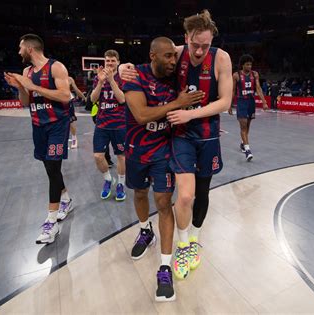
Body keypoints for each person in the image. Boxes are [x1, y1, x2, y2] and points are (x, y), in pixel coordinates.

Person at [121, 10, 233, 280]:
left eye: (205, 45)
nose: (199, 51)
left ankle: (194, 239)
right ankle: (183, 245)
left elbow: (225, 102)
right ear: (186, 39)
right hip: (181, 134)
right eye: (195, 45)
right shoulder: (178, 52)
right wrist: (126, 67)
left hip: (206, 133)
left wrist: (190, 113)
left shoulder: (221, 58)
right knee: (184, 196)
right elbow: (155, 59)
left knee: (203, 193)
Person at [124, 37, 205, 301]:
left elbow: (195, 55)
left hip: (162, 151)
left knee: (163, 203)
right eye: (167, 56)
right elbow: (141, 115)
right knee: (139, 193)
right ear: (153, 56)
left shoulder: (177, 78)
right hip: (136, 149)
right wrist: (177, 103)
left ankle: (165, 267)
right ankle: (145, 230)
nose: (173, 61)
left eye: (174, 56)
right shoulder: (135, 75)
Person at [4, 33, 74, 244]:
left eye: (20, 48)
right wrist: (21, 88)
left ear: (30, 49)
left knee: (53, 167)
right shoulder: (26, 72)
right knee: (51, 170)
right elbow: (26, 101)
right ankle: (66, 200)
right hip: (38, 126)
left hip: (57, 126)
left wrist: (33, 86)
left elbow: (65, 96)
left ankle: (51, 222)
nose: (19, 52)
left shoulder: (56, 67)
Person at [90, 50, 126, 201]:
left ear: (118, 62)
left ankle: (121, 185)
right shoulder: (99, 77)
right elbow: (93, 99)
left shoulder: (123, 77)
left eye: (112, 60)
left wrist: (111, 81)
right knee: (98, 156)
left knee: (122, 157)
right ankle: (108, 179)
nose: (110, 63)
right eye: (107, 61)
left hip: (119, 124)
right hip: (102, 124)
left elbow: (122, 99)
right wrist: (100, 82)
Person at [229, 54, 268, 161]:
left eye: (251, 64)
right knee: (243, 126)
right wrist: (230, 105)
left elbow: (258, 88)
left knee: (248, 125)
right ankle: (248, 150)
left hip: (251, 102)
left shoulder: (255, 74)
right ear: (242, 65)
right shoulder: (236, 75)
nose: (250, 66)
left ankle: (243, 143)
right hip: (241, 102)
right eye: (247, 64)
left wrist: (264, 102)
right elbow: (233, 91)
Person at [68, 76, 86, 149]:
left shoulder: (69, 79)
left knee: (71, 121)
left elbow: (76, 89)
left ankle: (74, 138)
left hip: (67, 101)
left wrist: (84, 97)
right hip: (56, 101)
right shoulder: (50, 78)